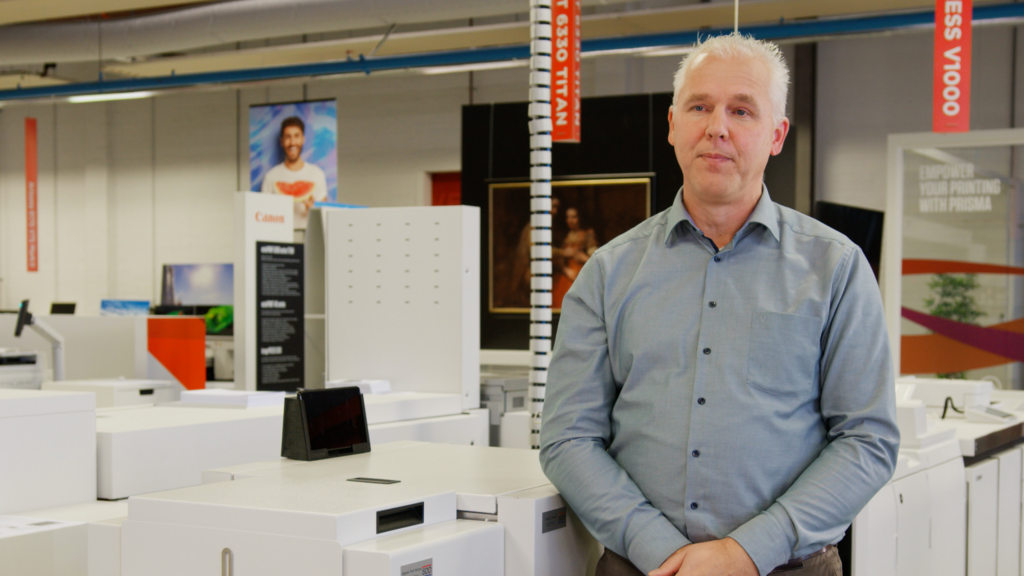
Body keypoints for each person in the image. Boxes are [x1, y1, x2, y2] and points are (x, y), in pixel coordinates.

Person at [538, 33, 898, 576]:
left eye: (742, 110)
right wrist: (661, 550)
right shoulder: (606, 274)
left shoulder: (837, 269)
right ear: (672, 125)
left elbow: (867, 440)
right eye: (699, 106)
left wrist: (746, 552)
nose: (717, 127)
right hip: (643, 568)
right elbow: (568, 437)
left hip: (790, 567)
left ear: (776, 135)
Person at [261, 116, 328, 229]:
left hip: (309, 240)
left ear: (303, 139)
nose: (292, 142)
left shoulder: (317, 174)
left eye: (297, 136)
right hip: (279, 240)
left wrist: (312, 209)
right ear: (281, 141)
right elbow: (262, 215)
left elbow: (324, 214)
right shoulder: (271, 177)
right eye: (288, 137)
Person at [552, 206, 598, 309]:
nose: (570, 221)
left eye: (574, 217)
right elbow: (558, 259)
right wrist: (566, 269)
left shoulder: (587, 235)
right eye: (568, 217)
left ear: (580, 218)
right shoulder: (564, 236)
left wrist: (584, 258)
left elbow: (595, 258)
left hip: (580, 275)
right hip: (566, 274)